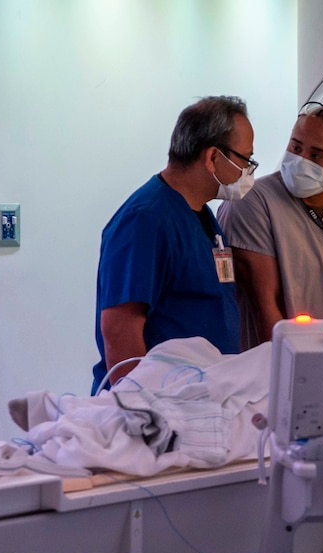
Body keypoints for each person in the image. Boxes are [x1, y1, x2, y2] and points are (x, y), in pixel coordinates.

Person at [91, 95, 256, 394]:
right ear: (212, 158)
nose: (249, 170)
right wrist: (141, 414)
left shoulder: (202, 216)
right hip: (158, 407)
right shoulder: (146, 220)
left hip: (198, 401)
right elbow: (119, 329)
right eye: (245, 159)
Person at [217, 101, 323, 348]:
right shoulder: (252, 202)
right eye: (296, 147)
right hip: (277, 363)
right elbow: (263, 306)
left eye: (316, 155)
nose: (301, 160)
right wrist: (297, 366)